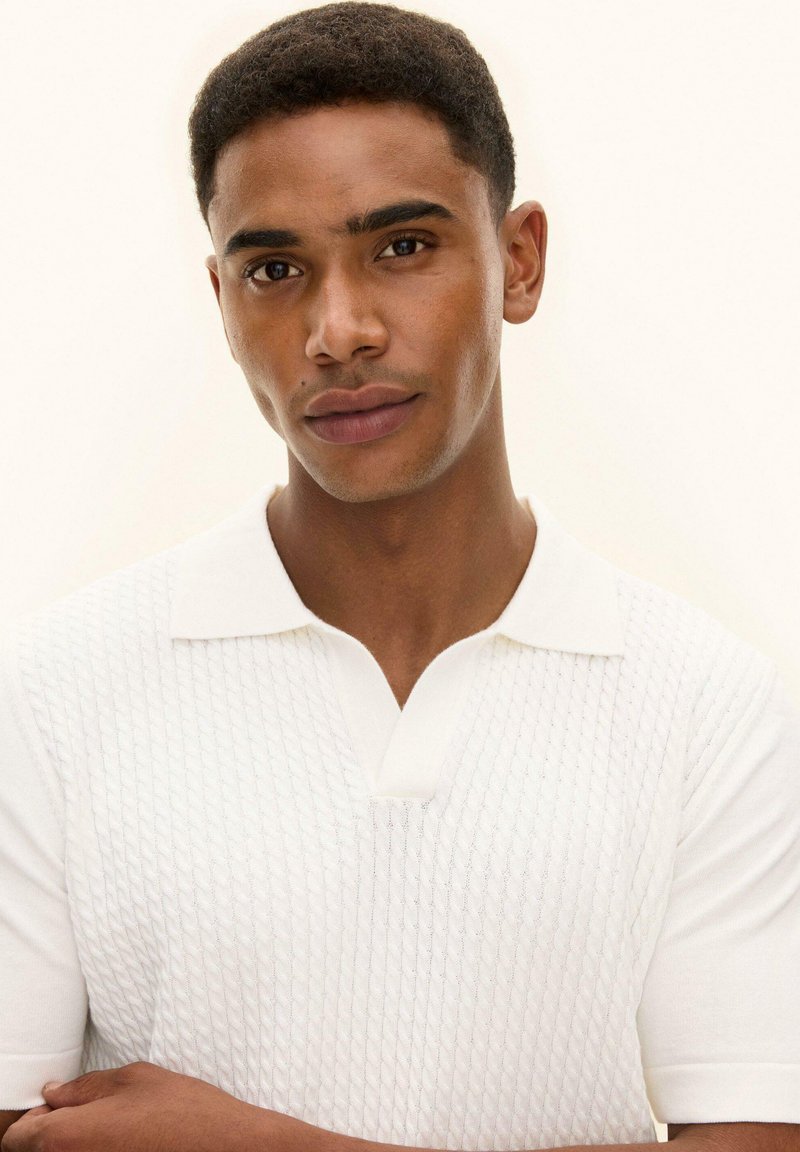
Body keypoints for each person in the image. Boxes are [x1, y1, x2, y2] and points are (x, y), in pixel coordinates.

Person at [0, 3, 798, 1149]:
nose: (339, 330)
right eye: (274, 268)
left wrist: (266, 1147)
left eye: (403, 247)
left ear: (517, 260)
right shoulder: (49, 697)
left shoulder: (707, 712)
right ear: (222, 302)